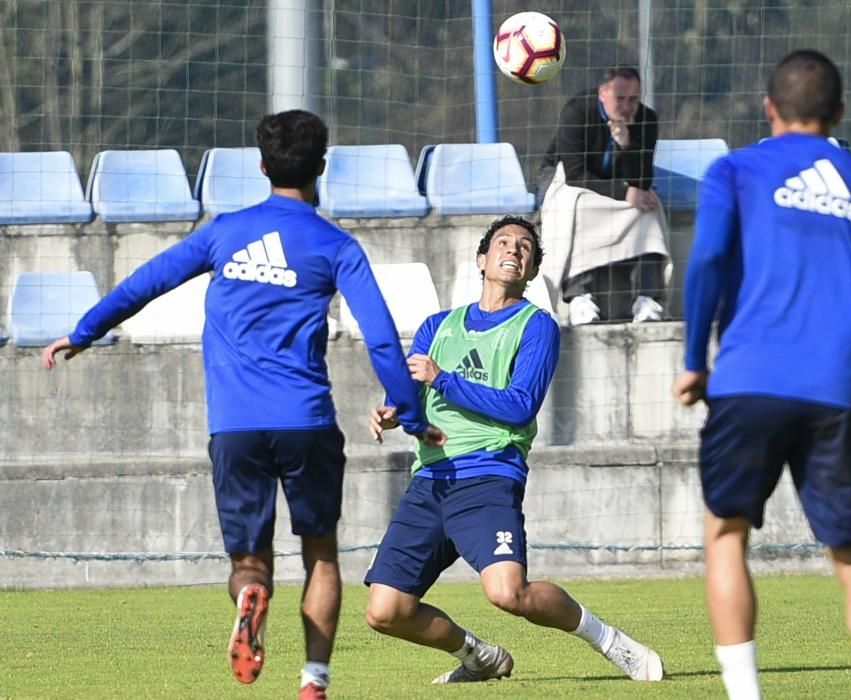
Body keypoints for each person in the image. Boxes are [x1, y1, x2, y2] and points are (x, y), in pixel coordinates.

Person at [41, 109, 445, 700]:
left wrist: (83, 331)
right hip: (305, 420)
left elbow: (145, 282)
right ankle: (314, 680)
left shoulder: (224, 232)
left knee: (250, 560)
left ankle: (251, 596)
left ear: (261, 166)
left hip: (234, 425)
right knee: (321, 555)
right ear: (322, 167)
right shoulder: (335, 245)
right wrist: (412, 416)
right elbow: (382, 338)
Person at [672, 50, 851, 700]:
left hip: (748, 380)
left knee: (726, 534)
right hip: (840, 394)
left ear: (769, 109)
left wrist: (696, 358)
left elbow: (708, 261)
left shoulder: (736, 170)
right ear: (837, 113)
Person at [363, 215, 665, 685]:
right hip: (430, 481)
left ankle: (609, 640)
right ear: (482, 259)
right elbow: (410, 397)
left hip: (487, 476)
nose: (514, 249)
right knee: (385, 611)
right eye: (502, 242)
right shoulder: (437, 326)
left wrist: (444, 378)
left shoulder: (536, 326)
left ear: (530, 270)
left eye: (525, 247)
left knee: (509, 593)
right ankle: (478, 656)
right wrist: (391, 411)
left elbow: (520, 406)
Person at [538, 65, 671, 325]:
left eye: (633, 99)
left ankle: (648, 298)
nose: (626, 105)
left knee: (650, 208)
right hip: (566, 177)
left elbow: (642, 180)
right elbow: (574, 175)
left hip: (612, 184)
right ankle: (579, 297)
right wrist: (624, 192)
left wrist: (626, 145)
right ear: (603, 94)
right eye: (620, 98)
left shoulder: (647, 119)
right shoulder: (576, 112)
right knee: (575, 206)